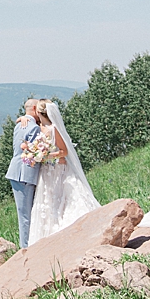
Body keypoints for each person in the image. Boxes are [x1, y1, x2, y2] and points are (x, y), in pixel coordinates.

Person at [29, 99, 100, 244]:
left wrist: (47, 155)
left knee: (60, 198)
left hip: (57, 169)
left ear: (39, 112)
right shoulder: (40, 127)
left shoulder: (54, 129)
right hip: (46, 170)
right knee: (47, 200)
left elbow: (64, 151)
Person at [4, 98, 43, 249]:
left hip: (18, 172)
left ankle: (27, 245)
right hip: (24, 174)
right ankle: (25, 247)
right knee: (25, 215)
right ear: (34, 108)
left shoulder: (21, 124)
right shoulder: (34, 128)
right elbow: (33, 154)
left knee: (25, 213)